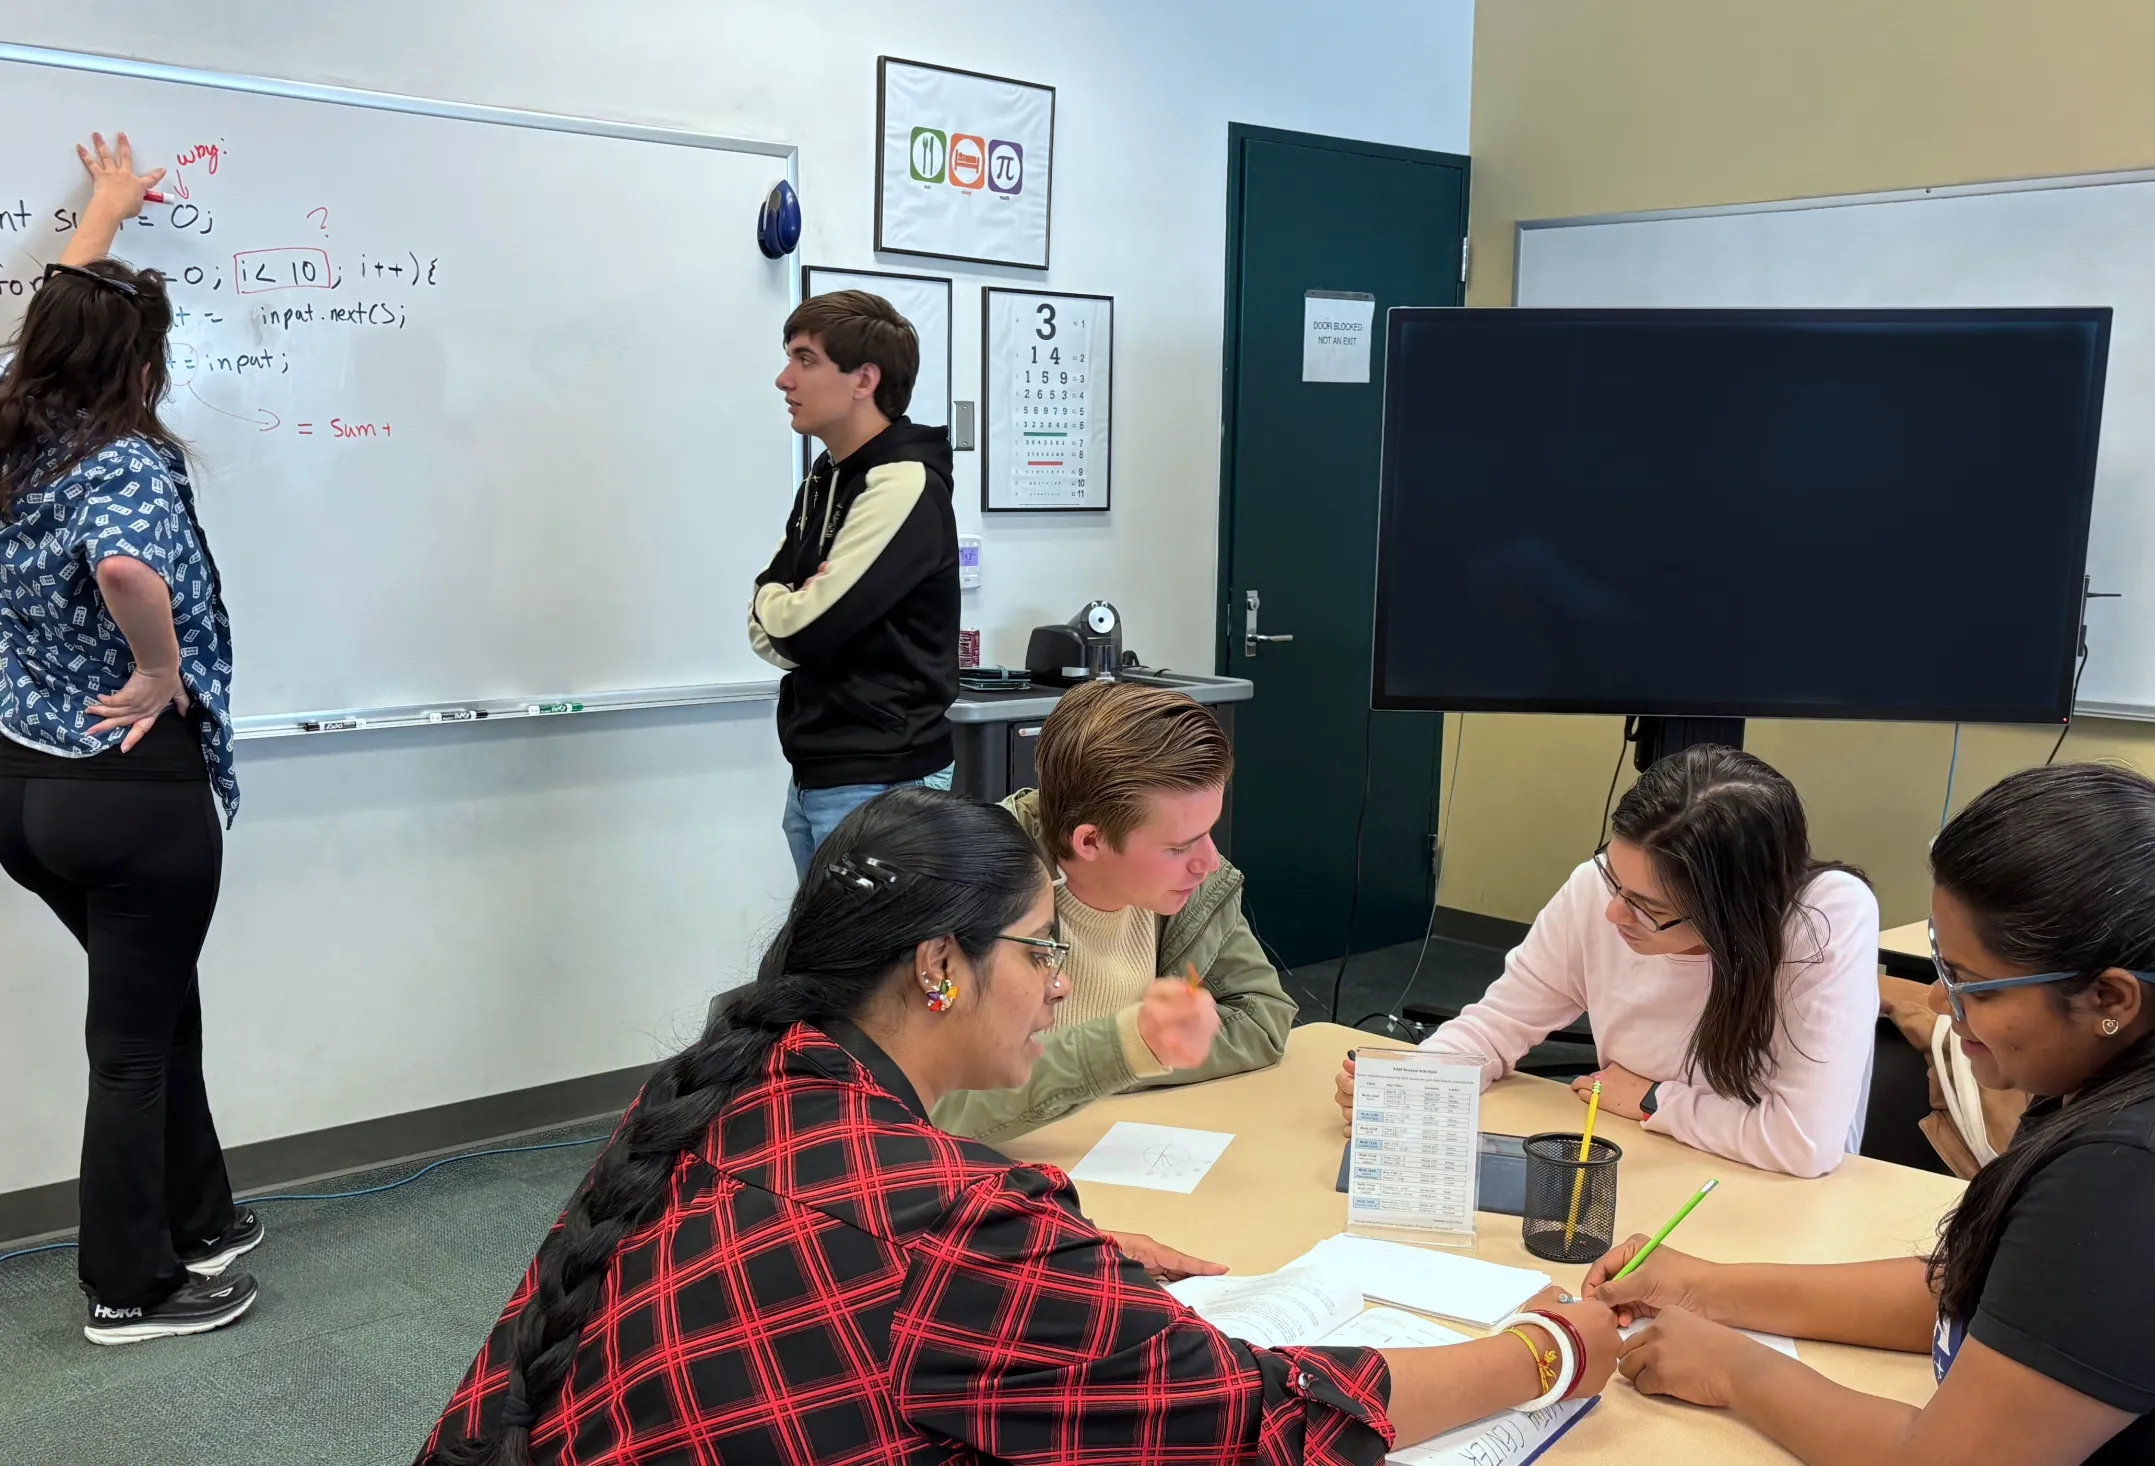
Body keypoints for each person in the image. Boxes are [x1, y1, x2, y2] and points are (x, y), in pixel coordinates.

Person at [418, 787, 1620, 1466]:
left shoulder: (726, 1084)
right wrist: (1544, 1355)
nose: (1061, 981)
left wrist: (1053, 1246)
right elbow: (1259, 1417)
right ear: (941, 967)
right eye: (1044, 950)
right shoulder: (952, 1227)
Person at [1585, 763, 2155, 1466]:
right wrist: (1704, 1286)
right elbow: (1992, 1293)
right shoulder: (2110, 1064)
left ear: (2111, 998)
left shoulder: (2138, 1180)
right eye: (1939, 966)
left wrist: (1736, 1371)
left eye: (1972, 985)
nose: (1934, 1004)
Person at [0, 133, 260, 1344]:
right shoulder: (126, 462)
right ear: (143, 365)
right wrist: (158, 669)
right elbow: (122, 565)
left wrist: (99, 218)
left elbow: (65, 321)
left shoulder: (16, 425)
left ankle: (198, 1214)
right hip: (129, 792)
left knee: (158, 1011)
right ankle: (128, 1286)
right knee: (130, 1051)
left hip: (22, 783)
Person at [1336, 744, 1879, 1179]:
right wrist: (1413, 1089)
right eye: (1613, 880)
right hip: (1637, 1164)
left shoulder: (1824, 917)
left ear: (1735, 912)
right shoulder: (1597, 892)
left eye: (1649, 907)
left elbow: (1802, 1143)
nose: (1615, 912)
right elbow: (1497, 1025)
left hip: (1771, 1194)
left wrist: (1651, 1099)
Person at [932, 680, 1297, 1143]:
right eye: (1179, 846)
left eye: (1209, 831)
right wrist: (1123, 1050)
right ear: (1090, 841)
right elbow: (935, 1099)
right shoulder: (970, 893)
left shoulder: (1194, 885)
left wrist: (1122, 1063)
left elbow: (1261, 1018)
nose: (1208, 862)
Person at [748, 291, 959, 878]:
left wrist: (785, 603)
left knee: (869, 967)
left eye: (805, 360)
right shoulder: (826, 478)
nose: (784, 380)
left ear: (864, 378)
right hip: (822, 769)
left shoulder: (901, 485)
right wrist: (784, 601)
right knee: (827, 961)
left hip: (881, 777)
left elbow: (801, 630)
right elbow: (771, 618)